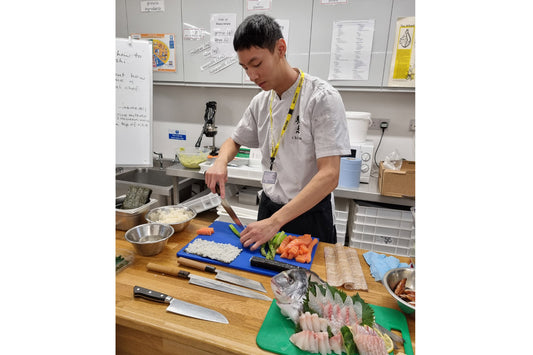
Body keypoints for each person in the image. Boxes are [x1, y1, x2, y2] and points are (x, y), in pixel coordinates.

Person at [205, 14, 350, 251]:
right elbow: (235, 140)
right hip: (269, 208)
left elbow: (330, 175)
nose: (252, 76)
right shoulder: (261, 101)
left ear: (280, 48)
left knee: (309, 284)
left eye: (257, 64)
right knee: (265, 278)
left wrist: (275, 223)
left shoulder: (321, 98)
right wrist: (220, 161)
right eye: (245, 67)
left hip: (309, 215)